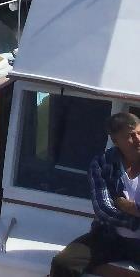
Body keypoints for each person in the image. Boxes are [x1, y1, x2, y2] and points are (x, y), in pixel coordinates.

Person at [52, 111, 140, 276]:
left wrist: (128, 207)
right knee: (62, 263)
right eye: (130, 136)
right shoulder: (101, 163)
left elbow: (117, 206)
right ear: (115, 141)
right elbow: (104, 209)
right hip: (109, 236)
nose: (138, 139)